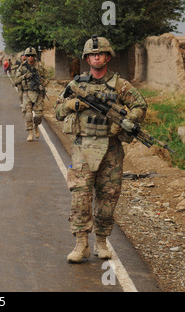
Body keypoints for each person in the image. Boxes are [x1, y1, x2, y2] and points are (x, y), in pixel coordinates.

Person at [54, 35, 148, 263]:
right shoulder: (76, 85)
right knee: (80, 197)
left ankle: (102, 242)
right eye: (93, 54)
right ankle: (81, 245)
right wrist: (70, 104)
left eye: (101, 54)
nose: (97, 57)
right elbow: (58, 111)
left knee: (108, 197)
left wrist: (124, 121)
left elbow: (140, 105)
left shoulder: (120, 85)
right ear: (87, 58)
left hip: (111, 150)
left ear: (108, 57)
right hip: (83, 148)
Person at [14, 47, 48, 141]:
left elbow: (46, 78)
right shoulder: (23, 67)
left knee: (38, 115)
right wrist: (25, 76)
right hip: (27, 92)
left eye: (32, 55)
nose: (30, 57)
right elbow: (16, 80)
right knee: (28, 115)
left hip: (38, 93)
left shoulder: (40, 66)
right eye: (28, 56)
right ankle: (30, 132)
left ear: (34, 56)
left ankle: (36, 126)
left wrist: (42, 84)